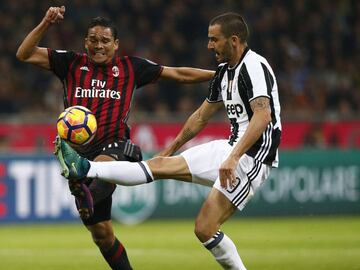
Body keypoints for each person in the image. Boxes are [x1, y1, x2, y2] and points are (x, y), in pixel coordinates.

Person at [55, 12, 281, 270]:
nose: (208, 46)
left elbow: (263, 116)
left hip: (253, 155)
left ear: (233, 40)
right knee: (158, 165)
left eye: (213, 40)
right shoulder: (224, 73)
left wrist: (233, 157)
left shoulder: (254, 66)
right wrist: (169, 150)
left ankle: (87, 168)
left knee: (205, 228)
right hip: (230, 147)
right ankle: (86, 167)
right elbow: (200, 117)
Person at [16, 6, 214, 270]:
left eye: (105, 41)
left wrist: (220, 75)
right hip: (78, 155)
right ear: (85, 42)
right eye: (93, 40)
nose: (99, 46)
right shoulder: (71, 63)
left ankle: (84, 189)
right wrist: (46, 23)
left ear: (116, 44)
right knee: (102, 235)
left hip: (116, 146)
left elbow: (177, 74)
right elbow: (24, 53)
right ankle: (86, 192)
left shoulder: (131, 68)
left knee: (101, 172)